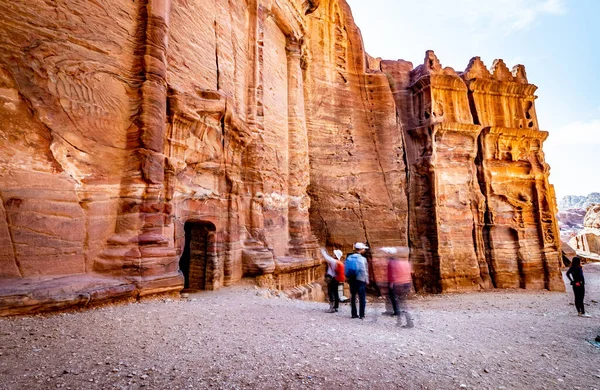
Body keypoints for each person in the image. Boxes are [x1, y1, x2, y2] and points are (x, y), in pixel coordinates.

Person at [386, 247, 414, 328]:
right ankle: (400, 321)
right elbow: (410, 272)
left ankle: (409, 323)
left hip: (398, 284)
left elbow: (392, 274)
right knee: (402, 302)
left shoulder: (391, 263)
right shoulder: (405, 262)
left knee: (401, 303)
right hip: (406, 283)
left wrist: (391, 283)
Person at [345, 242, 369, 319]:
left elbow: (346, 268)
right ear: (361, 249)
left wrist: (347, 277)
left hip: (352, 279)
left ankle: (353, 314)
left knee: (353, 297)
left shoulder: (349, 257)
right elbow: (365, 270)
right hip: (361, 279)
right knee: (362, 297)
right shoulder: (363, 259)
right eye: (364, 249)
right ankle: (362, 314)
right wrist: (367, 279)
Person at [321, 248, 344, 313]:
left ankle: (332, 308)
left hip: (332, 279)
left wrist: (322, 250)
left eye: (334, 254)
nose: (333, 254)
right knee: (336, 293)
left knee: (330, 292)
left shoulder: (333, 261)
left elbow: (326, 257)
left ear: (336, 255)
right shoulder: (339, 262)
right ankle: (336, 307)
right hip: (336, 279)